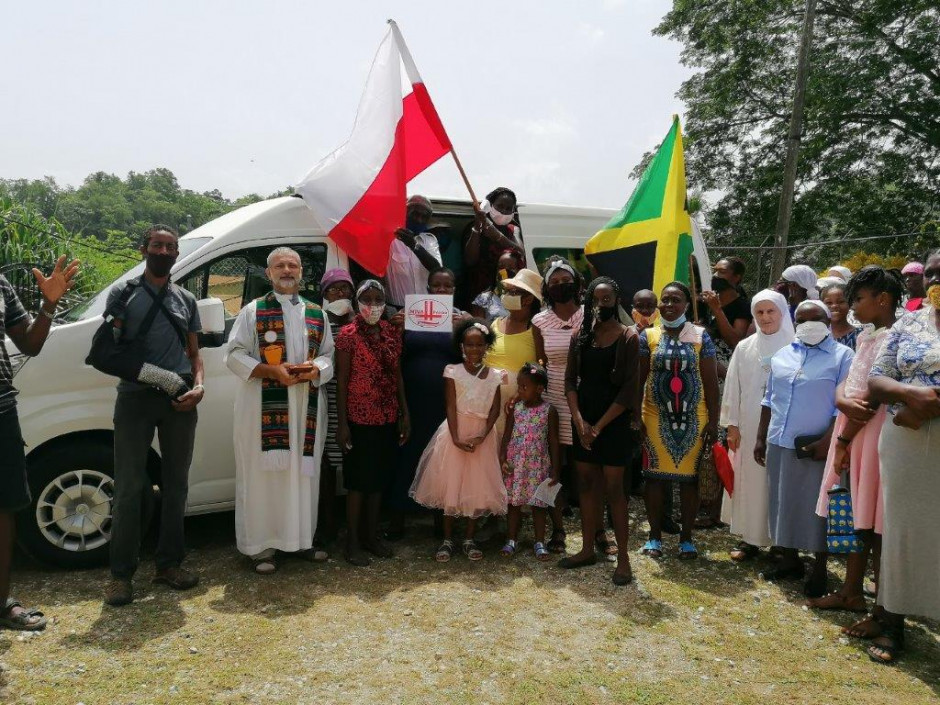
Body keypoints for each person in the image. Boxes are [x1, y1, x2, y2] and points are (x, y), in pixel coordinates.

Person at [105, 225, 205, 607]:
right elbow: (111, 353)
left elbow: (195, 354)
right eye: (157, 245)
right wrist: (152, 375)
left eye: (170, 247)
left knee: (176, 484)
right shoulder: (124, 294)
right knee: (130, 487)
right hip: (134, 398)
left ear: (177, 254)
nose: (163, 251)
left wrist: (199, 386)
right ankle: (120, 576)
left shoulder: (186, 299)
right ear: (144, 249)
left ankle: (169, 564)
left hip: (179, 400)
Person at [225, 247, 334, 574]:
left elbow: (328, 354)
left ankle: (300, 541)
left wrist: (316, 370)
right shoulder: (253, 311)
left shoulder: (318, 313)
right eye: (279, 266)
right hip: (262, 409)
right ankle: (261, 547)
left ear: (301, 273)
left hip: (306, 409)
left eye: (293, 265)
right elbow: (233, 355)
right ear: (269, 274)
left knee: (302, 475)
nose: (287, 270)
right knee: (263, 477)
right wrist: (270, 371)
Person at [809, 267, 901, 617]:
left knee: (873, 518)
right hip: (851, 429)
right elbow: (848, 382)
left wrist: (845, 438)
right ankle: (850, 591)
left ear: (883, 300)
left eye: (858, 299)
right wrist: (840, 399)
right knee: (852, 510)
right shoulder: (865, 336)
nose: (852, 306)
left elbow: (871, 401)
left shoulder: (895, 338)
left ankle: (883, 604)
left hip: (869, 434)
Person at [865, 249, 940, 664]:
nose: (934, 281)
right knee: (901, 532)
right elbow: (877, 379)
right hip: (906, 441)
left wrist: (932, 403)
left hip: (924, 422)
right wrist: (910, 395)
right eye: (930, 273)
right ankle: (892, 623)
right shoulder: (908, 322)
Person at [754, 300, 854, 598]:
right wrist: (761, 437)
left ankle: (821, 567)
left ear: (828, 320)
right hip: (781, 442)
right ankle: (789, 559)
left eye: (817, 318)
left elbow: (845, 404)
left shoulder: (843, 356)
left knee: (820, 507)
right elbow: (769, 400)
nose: (809, 323)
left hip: (819, 446)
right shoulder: (783, 355)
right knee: (783, 502)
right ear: (793, 322)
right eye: (802, 318)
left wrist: (829, 441)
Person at [0, 256, 78, 630]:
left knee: (5, 504)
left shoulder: (0, 284)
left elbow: (29, 344)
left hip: (0, 408)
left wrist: (48, 305)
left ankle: (2, 603)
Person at [558, 276, 637, 586]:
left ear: (617, 300)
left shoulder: (629, 337)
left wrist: (599, 426)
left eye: (608, 299)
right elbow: (569, 381)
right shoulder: (580, 336)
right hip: (584, 421)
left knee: (615, 491)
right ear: (588, 302)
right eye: (596, 299)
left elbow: (630, 389)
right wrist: (579, 421)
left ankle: (624, 559)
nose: (602, 305)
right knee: (587, 485)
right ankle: (587, 549)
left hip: (613, 423)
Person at [410, 319, 508, 561]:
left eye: (479, 345)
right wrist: (455, 437)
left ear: (487, 346)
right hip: (455, 433)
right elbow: (451, 406)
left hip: (481, 436)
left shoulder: (496, 375)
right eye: (469, 345)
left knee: (477, 488)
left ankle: (469, 538)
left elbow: (495, 409)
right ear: (461, 346)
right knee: (450, 488)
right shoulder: (452, 371)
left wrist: (483, 435)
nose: (474, 350)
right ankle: (446, 539)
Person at [638, 282, 719, 560]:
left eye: (676, 300)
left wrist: (713, 422)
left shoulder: (700, 336)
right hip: (653, 416)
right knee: (654, 480)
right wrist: (636, 419)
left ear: (686, 304)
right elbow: (638, 382)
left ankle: (686, 538)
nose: (669, 305)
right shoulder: (647, 336)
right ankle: (654, 537)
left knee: (689, 481)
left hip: (694, 418)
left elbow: (711, 384)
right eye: (665, 300)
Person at [385, 267, 467, 540]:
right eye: (437, 286)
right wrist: (394, 324)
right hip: (413, 400)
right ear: (428, 288)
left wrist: (466, 326)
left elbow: (475, 355)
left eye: (448, 286)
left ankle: (439, 521)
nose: (442, 291)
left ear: (454, 290)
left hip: (446, 402)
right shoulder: (413, 315)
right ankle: (397, 517)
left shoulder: (460, 319)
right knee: (405, 455)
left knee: (440, 458)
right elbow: (395, 358)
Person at [335, 280, 409, 566]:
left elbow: (397, 375)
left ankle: (370, 536)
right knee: (357, 482)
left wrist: (405, 412)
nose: (373, 305)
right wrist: (342, 424)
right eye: (367, 299)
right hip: (358, 417)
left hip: (387, 415)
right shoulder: (347, 335)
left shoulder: (391, 333)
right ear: (358, 302)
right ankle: (352, 541)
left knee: (378, 480)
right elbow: (341, 382)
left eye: (379, 299)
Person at [719, 290, 794, 561]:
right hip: (749, 427)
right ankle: (750, 538)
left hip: (785, 427)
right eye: (759, 312)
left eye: (771, 311)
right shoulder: (745, 346)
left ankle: (781, 543)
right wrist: (732, 425)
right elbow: (732, 387)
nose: (765, 317)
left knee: (779, 483)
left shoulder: (795, 344)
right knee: (750, 482)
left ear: (782, 312)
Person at [532, 259, 583, 553]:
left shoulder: (591, 316)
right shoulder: (539, 321)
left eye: (567, 280)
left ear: (577, 284)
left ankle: (597, 529)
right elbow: (541, 362)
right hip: (553, 399)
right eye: (555, 281)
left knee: (586, 468)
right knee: (554, 467)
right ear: (548, 288)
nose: (561, 285)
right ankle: (558, 529)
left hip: (583, 398)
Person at [499, 363, 560, 560]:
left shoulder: (549, 411)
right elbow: (507, 435)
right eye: (519, 386)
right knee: (513, 503)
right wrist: (502, 458)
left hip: (539, 466)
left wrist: (555, 469)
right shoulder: (516, 409)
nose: (520, 391)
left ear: (540, 389)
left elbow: (553, 441)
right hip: (516, 465)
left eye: (524, 387)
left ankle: (539, 541)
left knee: (539, 504)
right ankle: (511, 539)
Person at [317, 267, 357, 544]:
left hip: (356, 402)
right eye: (334, 289)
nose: (341, 293)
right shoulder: (316, 322)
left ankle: (355, 527)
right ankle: (327, 525)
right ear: (324, 294)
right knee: (326, 465)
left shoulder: (359, 322)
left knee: (353, 463)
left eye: (346, 289)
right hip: (326, 401)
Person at [483, 268, 541, 438]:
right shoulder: (494, 324)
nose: (507, 295)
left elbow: (541, 365)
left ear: (529, 299)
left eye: (513, 292)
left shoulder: (536, 329)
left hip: (517, 404)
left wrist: (520, 394)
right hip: (487, 402)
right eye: (506, 291)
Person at [463, 187, 526, 307]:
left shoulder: (513, 230)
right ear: (488, 205)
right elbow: (470, 261)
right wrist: (477, 228)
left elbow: (520, 252)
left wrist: (497, 236)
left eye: (508, 208)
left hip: (507, 292)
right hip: (479, 293)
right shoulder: (475, 227)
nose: (503, 211)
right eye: (500, 206)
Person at [386, 195, 443, 308]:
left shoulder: (430, 240)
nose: (419, 220)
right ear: (405, 212)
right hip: (398, 310)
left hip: (425, 310)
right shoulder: (390, 240)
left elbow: (437, 270)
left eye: (424, 217)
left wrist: (414, 245)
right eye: (415, 214)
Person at [470, 250, 524, 321]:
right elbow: (478, 326)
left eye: (511, 268)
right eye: (501, 267)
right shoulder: (484, 299)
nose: (504, 271)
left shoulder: (525, 300)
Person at [821, 282, 862, 350]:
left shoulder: (860, 336)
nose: (834, 306)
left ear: (850, 303)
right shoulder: (817, 336)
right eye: (829, 303)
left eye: (841, 302)